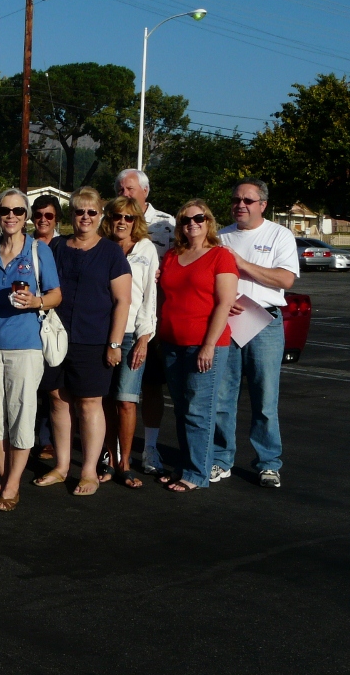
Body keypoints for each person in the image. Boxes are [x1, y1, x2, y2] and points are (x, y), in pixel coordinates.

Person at [34, 187, 131, 496]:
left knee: (89, 404)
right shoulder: (57, 247)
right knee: (58, 399)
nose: (85, 217)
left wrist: (114, 344)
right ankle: (62, 467)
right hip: (57, 339)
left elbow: (123, 302)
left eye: (91, 212)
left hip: (94, 340)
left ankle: (88, 470)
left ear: (99, 215)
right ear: (71, 215)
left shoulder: (112, 252)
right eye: (79, 211)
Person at [0, 188, 61, 511]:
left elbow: (56, 295)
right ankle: (4, 479)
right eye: (5, 211)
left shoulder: (39, 251)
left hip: (25, 345)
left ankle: (11, 487)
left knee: (21, 416)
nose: (11, 216)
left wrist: (36, 302)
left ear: (26, 217)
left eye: (18, 211)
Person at [214, 179, 299, 488]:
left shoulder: (279, 235)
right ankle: (221, 459)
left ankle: (268, 464)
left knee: (265, 398)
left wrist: (241, 264)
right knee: (223, 395)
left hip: (264, 322)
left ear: (263, 204)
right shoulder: (219, 235)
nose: (241, 204)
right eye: (236, 199)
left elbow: (286, 279)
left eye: (248, 200)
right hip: (227, 322)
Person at [156, 199, 238, 492]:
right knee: (181, 409)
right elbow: (164, 295)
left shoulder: (220, 256)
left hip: (204, 344)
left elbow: (225, 303)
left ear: (208, 222)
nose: (192, 223)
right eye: (185, 220)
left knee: (198, 412)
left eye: (198, 218)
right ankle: (185, 465)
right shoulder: (172, 256)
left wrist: (208, 345)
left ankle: (197, 473)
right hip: (171, 343)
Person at [115, 168, 175, 475]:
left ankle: (149, 446)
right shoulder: (109, 224)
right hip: (118, 324)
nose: (126, 194)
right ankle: (111, 451)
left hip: (157, 320)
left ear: (145, 191)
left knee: (151, 386)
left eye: (131, 189)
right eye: (121, 190)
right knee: (116, 393)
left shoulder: (167, 225)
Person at [100, 197, 158, 489]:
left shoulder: (147, 250)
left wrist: (144, 339)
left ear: (137, 221)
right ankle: (110, 460)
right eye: (117, 216)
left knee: (126, 400)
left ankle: (125, 464)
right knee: (106, 400)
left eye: (129, 217)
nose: (122, 222)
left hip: (133, 334)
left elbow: (150, 298)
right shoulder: (102, 246)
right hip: (103, 332)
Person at [30, 193, 64, 461]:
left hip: (55, 320)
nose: (43, 220)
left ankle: (48, 438)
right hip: (28, 320)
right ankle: (29, 437)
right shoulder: (25, 245)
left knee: (53, 387)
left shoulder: (63, 247)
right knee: (31, 384)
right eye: (38, 215)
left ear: (57, 219)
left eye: (49, 215)